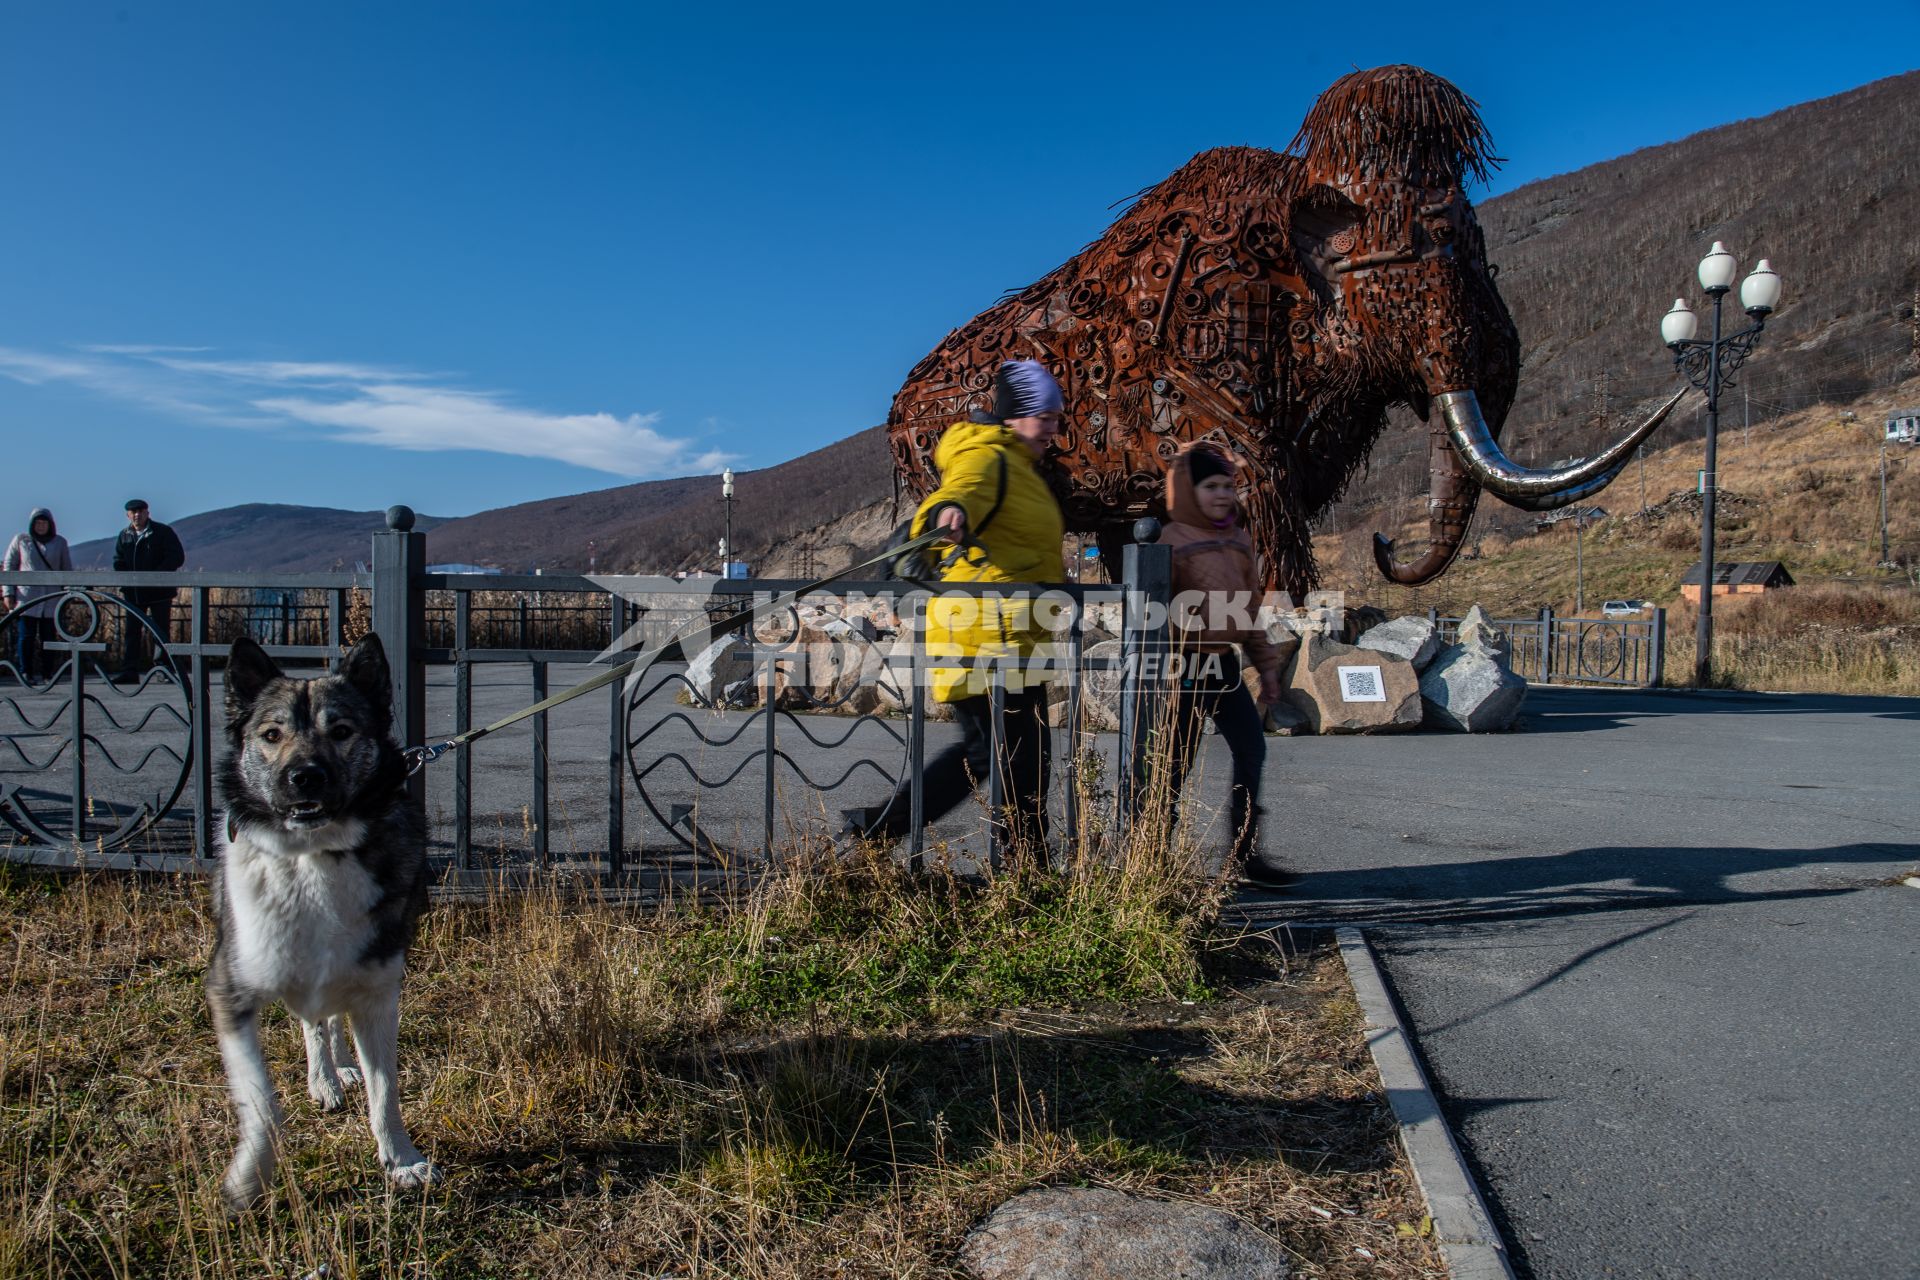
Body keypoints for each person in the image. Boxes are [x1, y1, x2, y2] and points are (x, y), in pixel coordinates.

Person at [846, 358, 1068, 862]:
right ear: (1016, 415)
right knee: (1005, 756)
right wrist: (951, 514)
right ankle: (1020, 865)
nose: (1055, 427)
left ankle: (1023, 865)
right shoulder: (989, 458)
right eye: (1045, 416)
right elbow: (958, 492)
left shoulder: (1022, 469)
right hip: (985, 639)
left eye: (1057, 417)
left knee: (1015, 758)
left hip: (1015, 638)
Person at [1156, 443, 1294, 889]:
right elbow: (1154, 615)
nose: (1222, 495)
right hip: (1185, 666)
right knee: (1174, 764)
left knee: (1252, 750)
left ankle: (1243, 856)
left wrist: (1267, 668)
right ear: (1187, 489)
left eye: (1228, 487)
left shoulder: (1238, 538)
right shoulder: (1171, 541)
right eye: (1210, 486)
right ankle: (1155, 860)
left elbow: (1249, 608)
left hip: (1226, 665)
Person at [111, 499, 186, 678]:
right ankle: (129, 670)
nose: (137, 515)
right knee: (131, 633)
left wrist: (157, 575)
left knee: (160, 632)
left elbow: (177, 557)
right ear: (127, 515)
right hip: (134, 593)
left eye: (140, 511)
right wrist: (127, 577)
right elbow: (118, 560)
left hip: (159, 592)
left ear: (147, 513)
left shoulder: (162, 532)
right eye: (133, 512)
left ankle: (163, 669)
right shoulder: (124, 536)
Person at [4, 508, 73, 683]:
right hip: (27, 597)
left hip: (52, 598)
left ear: (50, 524)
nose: (41, 526)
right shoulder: (21, 540)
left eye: (44, 523)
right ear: (32, 524)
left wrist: (68, 595)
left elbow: (67, 570)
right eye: (37, 523)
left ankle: (47, 674)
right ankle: (25, 672)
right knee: (26, 637)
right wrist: (8, 593)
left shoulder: (60, 542)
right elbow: (9, 566)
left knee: (48, 638)